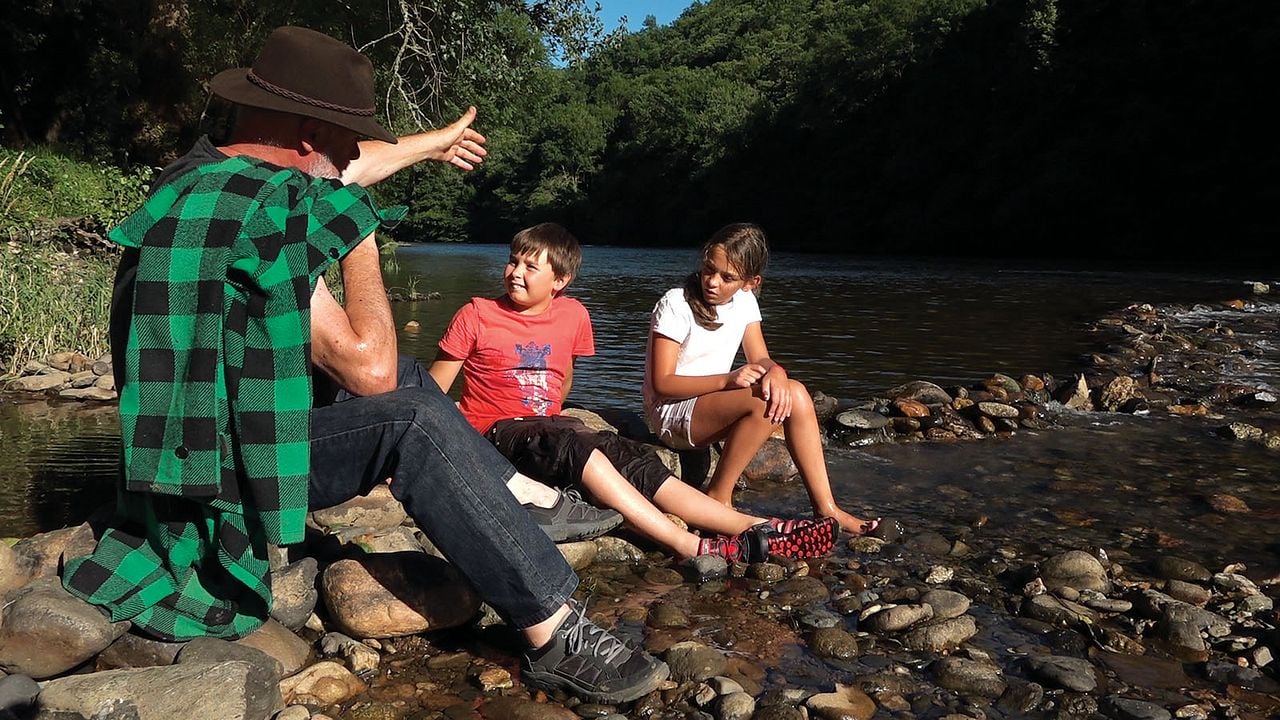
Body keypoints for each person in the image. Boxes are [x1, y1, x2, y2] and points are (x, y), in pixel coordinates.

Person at [60, 26, 667, 704]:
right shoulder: (269, 215)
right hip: (221, 477)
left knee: (414, 379)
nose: (357, 152)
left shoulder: (200, 177)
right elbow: (368, 370)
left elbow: (350, 166)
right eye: (348, 133)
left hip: (191, 443)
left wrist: (431, 144)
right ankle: (554, 635)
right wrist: (360, 235)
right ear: (306, 133)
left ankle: (521, 500)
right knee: (407, 412)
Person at [427, 222, 840, 563]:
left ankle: (759, 528)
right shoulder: (476, 314)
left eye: (530, 267)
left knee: (628, 457)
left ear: (561, 280)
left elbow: (562, 382)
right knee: (576, 446)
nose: (515, 272)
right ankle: (692, 544)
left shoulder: (573, 314)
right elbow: (434, 391)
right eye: (513, 261)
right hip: (499, 429)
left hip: (551, 423)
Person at [643, 222, 879, 535]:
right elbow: (663, 384)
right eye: (708, 270)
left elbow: (761, 358)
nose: (712, 282)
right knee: (765, 399)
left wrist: (777, 371)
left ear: (750, 283)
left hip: (710, 406)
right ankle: (719, 496)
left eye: (727, 277)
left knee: (794, 393)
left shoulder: (743, 302)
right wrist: (728, 380)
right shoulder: (676, 303)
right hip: (673, 412)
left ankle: (827, 508)